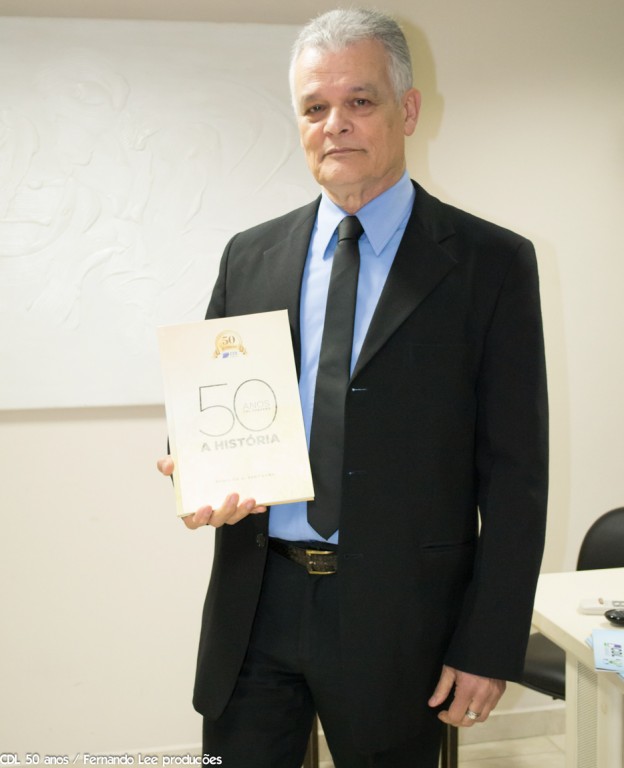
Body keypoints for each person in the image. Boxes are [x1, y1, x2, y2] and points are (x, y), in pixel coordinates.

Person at [157, 8, 548, 767]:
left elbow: (516, 475)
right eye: (314, 107)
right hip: (255, 607)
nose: (334, 124)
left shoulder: (490, 263)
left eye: (359, 101)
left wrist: (489, 641)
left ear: (408, 110)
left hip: (404, 622)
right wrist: (192, 465)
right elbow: (209, 404)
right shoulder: (250, 256)